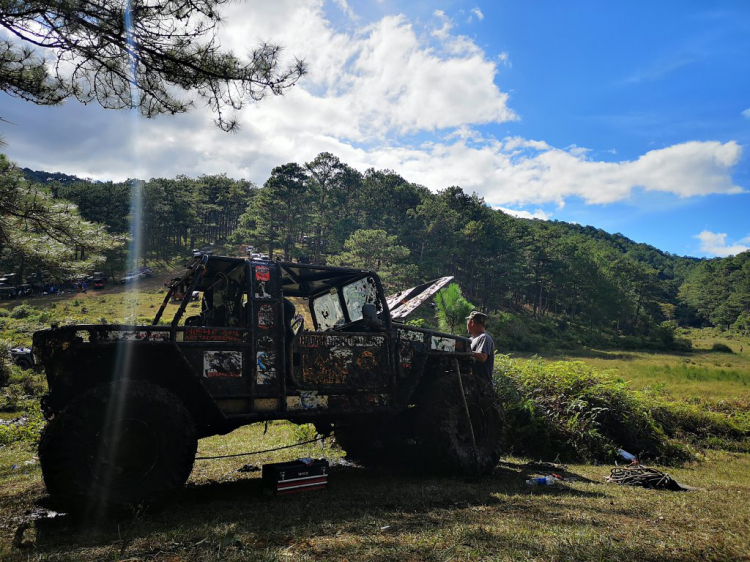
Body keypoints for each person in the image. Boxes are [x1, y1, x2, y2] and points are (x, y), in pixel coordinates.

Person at [466, 311, 494, 383]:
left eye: (467, 321)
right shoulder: (471, 340)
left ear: (471, 322)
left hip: (482, 386)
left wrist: (465, 352)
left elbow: (482, 357)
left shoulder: (484, 337)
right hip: (473, 384)